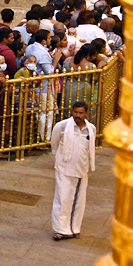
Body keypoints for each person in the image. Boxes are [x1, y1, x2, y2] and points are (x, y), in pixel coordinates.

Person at [50, 101, 96, 241]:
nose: (78, 115)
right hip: (64, 168)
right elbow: (54, 143)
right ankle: (59, 230)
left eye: (81, 113)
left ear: (86, 114)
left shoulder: (91, 129)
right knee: (62, 198)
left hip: (81, 169)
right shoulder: (62, 126)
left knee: (78, 201)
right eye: (75, 112)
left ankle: (74, 228)